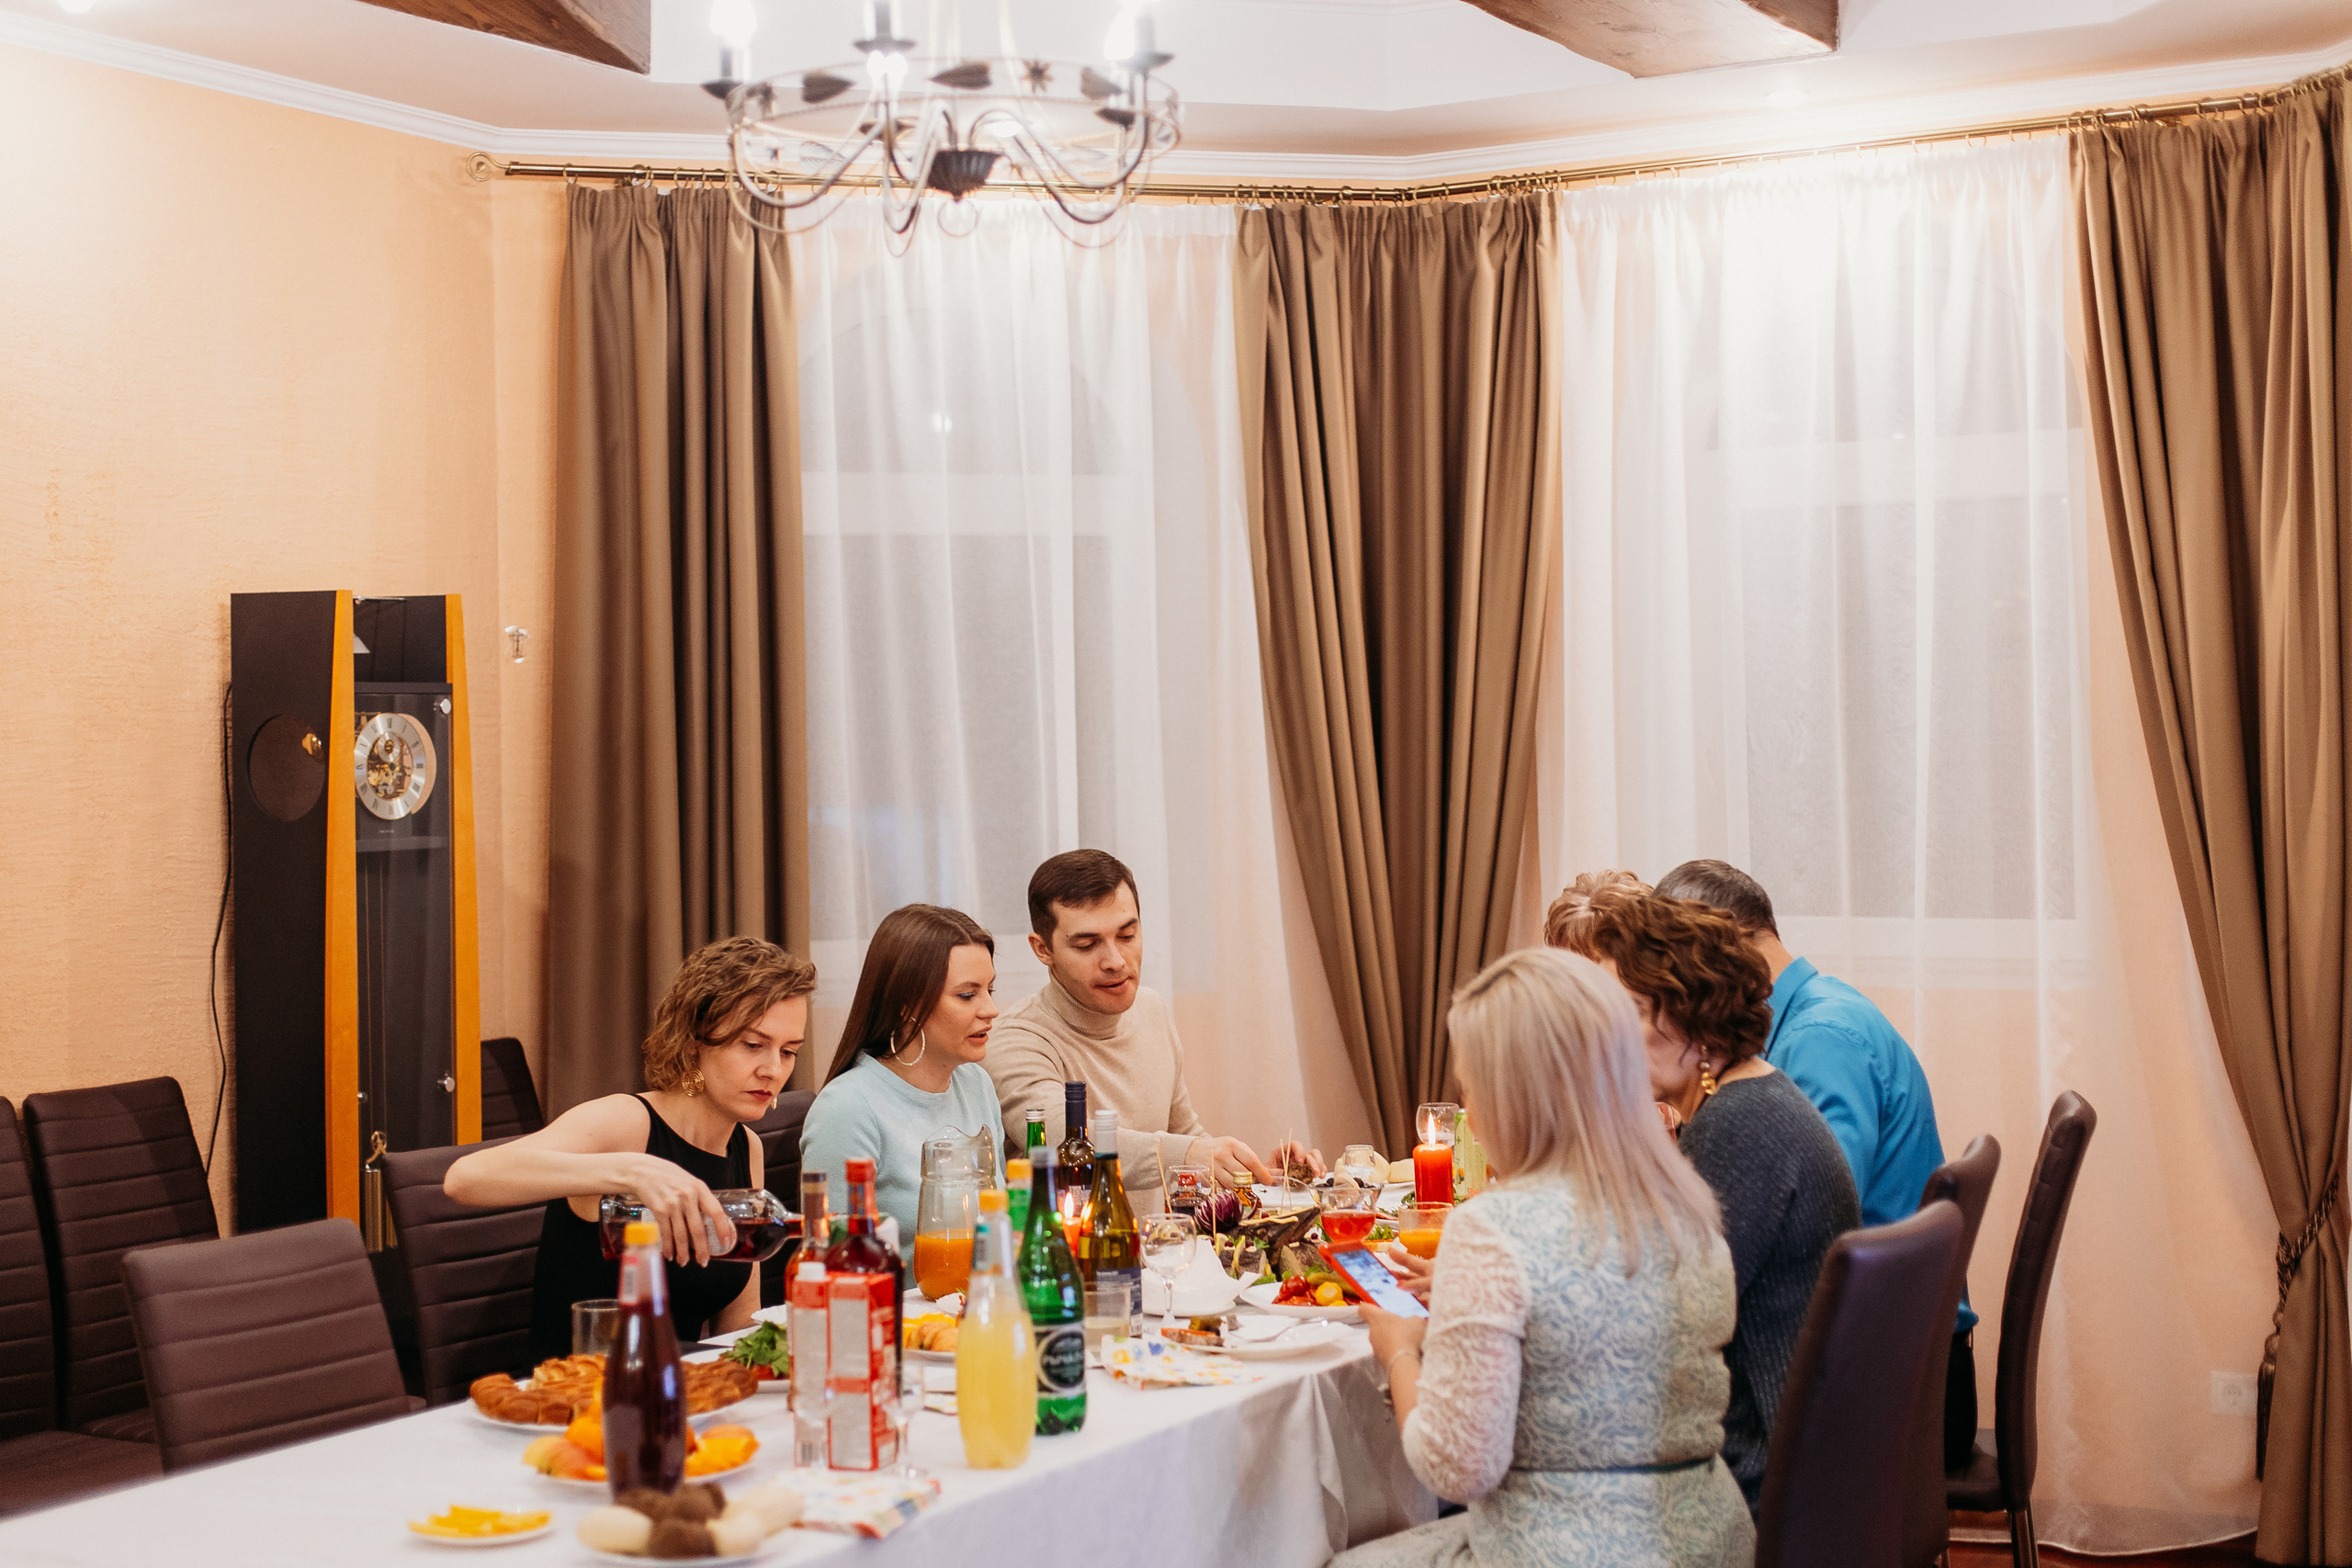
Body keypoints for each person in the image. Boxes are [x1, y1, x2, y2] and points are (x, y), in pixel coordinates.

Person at [1338, 946, 1751, 1568]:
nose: (1471, 1116)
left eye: (1471, 1090)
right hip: (1706, 1540)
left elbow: (1457, 1466)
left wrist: (1399, 1345)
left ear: (1515, 1097)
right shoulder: (1690, 1210)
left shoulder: (1494, 1228)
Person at [1652, 857, 1973, 1450]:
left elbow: (1808, 1232)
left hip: (1893, 1382)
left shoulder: (1821, 1039)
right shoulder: (1813, 1017)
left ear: (1715, 945)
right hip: (1885, 1354)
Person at [1555, 893, 1858, 1511]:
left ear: (1698, 1022)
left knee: (1491, 1468)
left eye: (1632, 1010)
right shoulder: (1748, 1098)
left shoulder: (1739, 1125)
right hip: (1786, 1447)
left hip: (1752, 1471)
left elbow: (1652, 1323)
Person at [445, 936, 812, 1362]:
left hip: (681, 1391)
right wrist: (631, 1171)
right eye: (752, 1045)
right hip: (582, 1394)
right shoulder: (627, 1123)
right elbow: (465, 1179)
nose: (773, 1070)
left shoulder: (745, 1146)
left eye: (788, 1052)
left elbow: (736, 1321)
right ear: (696, 1040)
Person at [984, 849, 1320, 1201]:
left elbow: (1186, 1137)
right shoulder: (1015, 1040)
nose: (1115, 961)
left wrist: (1255, 1175)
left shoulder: (1151, 1010)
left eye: (1127, 936)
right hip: (1071, 1253)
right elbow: (1063, 1139)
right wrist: (1190, 1154)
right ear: (1043, 950)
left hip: (1163, 1248)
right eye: (1087, 944)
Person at [799, 904, 1008, 1243]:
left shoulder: (976, 1084)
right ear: (907, 1004)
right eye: (967, 995)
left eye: (990, 990)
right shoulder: (847, 1108)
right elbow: (834, 1258)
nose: (991, 1009)